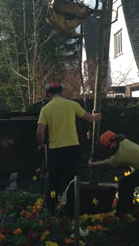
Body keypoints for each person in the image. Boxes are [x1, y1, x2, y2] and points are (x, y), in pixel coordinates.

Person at [36, 82, 102, 213]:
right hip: (72, 149)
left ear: (49, 94)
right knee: (71, 181)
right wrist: (97, 115)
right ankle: (71, 211)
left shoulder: (46, 109)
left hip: (55, 150)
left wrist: (42, 144)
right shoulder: (72, 105)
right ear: (61, 92)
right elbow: (90, 118)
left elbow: (39, 132)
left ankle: (50, 210)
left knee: (53, 180)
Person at [89, 131, 139, 217]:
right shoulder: (122, 141)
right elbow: (107, 145)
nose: (107, 150)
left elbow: (105, 163)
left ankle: (121, 213)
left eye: (108, 148)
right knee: (128, 184)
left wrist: (92, 164)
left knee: (124, 184)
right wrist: (93, 137)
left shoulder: (120, 156)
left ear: (114, 143)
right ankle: (128, 209)